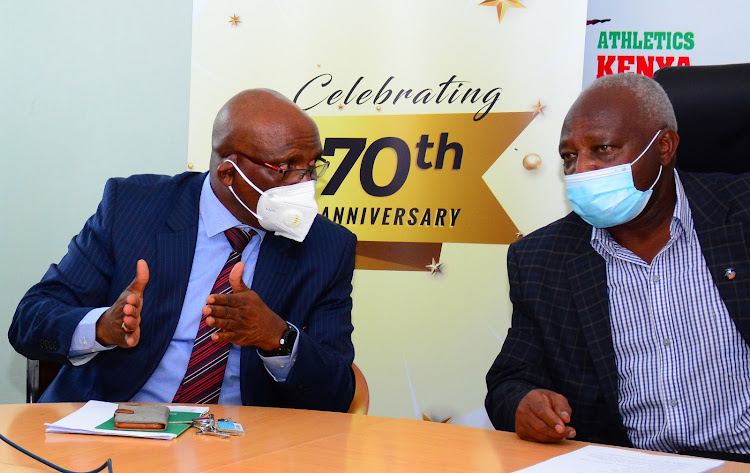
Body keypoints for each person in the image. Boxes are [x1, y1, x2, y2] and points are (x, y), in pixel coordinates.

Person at [10, 89, 357, 411]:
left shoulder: (325, 247)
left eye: (311, 167)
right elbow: (30, 320)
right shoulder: (132, 208)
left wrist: (276, 336)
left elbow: (338, 393)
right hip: (115, 428)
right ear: (228, 173)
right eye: (286, 169)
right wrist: (101, 327)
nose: (305, 185)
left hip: (236, 445)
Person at [485, 73, 750, 461]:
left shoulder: (741, 215)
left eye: (603, 148)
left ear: (663, 147)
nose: (582, 170)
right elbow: (510, 380)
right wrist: (526, 404)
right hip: (629, 463)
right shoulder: (542, 258)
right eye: (569, 156)